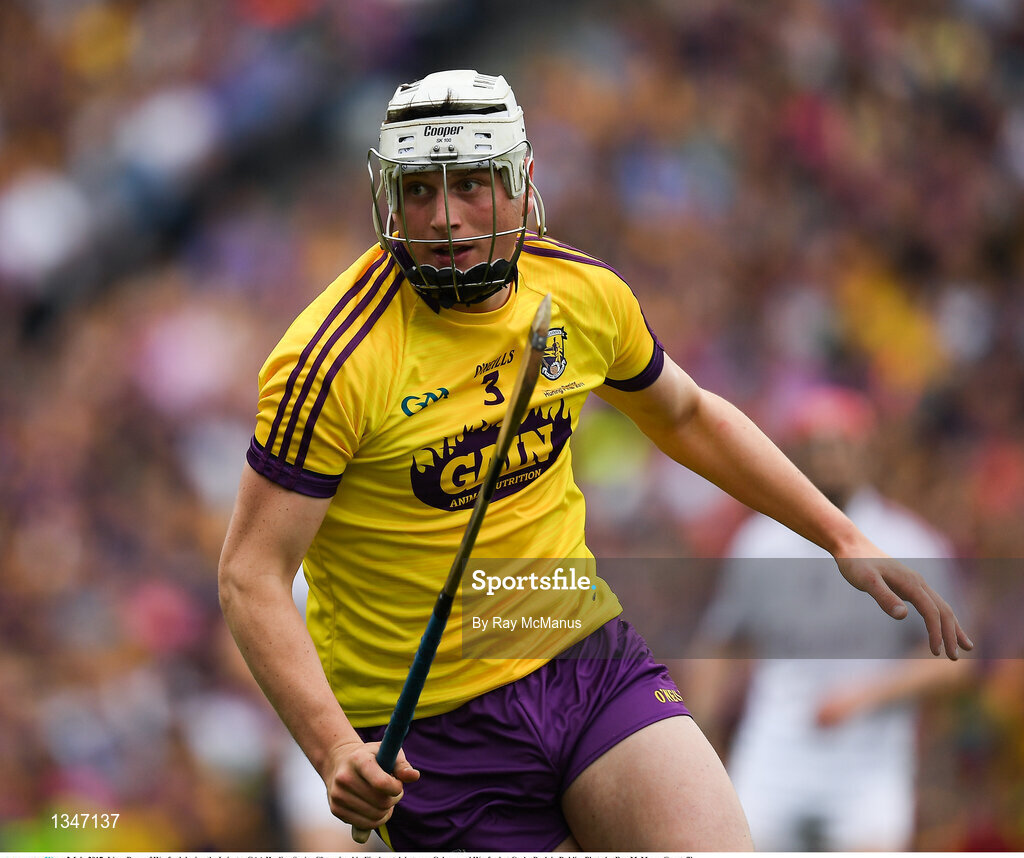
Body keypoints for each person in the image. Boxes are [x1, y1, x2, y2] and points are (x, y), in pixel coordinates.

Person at [217, 69, 971, 851]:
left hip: (582, 658)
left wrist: (839, 534)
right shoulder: (329, 362)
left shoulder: (580, 293)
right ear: (385, 195)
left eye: (472, 184)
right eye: (417, 191)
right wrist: (332, 745)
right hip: (429, 735)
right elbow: (250, 574)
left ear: (522, 181)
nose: (443, 218)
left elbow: (685, 414)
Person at [685, 386, 973, 851]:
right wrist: (701, 738)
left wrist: (866, 694)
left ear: (867, 451)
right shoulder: (760, 543)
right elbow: (719, 643)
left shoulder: (912, 545)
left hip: (869, 761)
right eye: (816, 447)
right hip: (772, 754)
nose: (829, 459)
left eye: (840, 444)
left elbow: (954, 660)